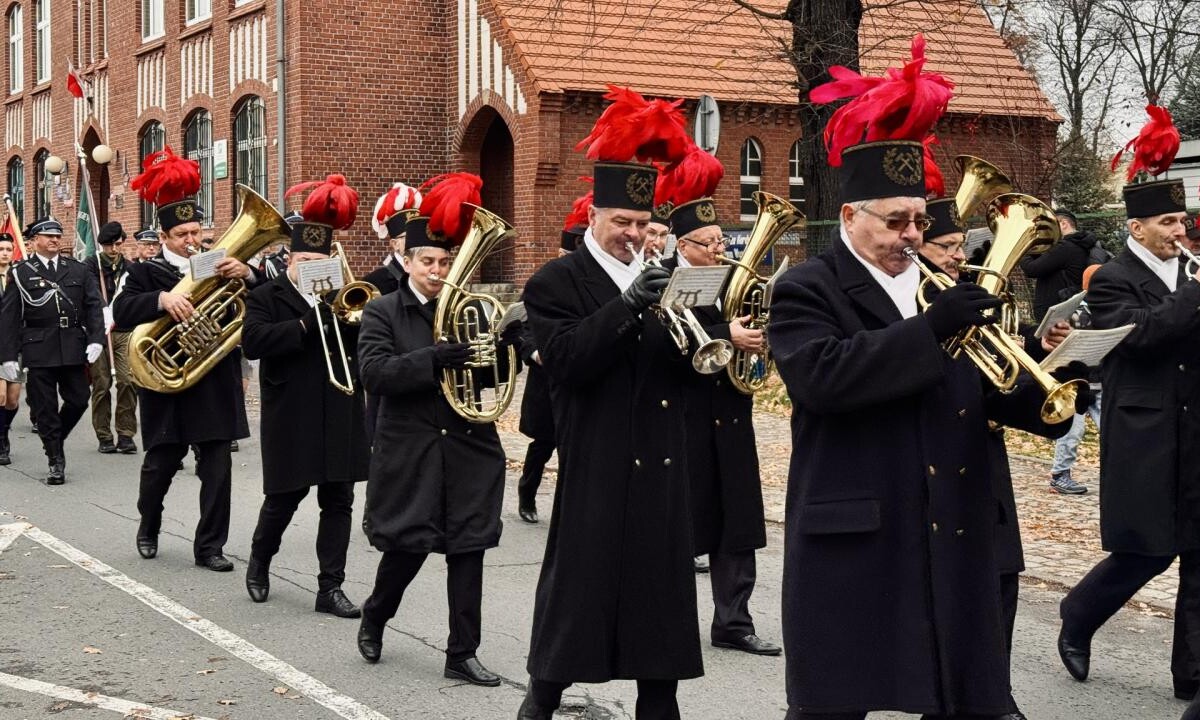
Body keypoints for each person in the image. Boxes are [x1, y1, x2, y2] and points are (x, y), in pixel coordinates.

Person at [772, 37, 1061, 718]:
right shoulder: (809, 288)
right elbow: (822, 378)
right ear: (850, 217)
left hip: (949, 527)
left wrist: (1047, 379)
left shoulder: (934, 286)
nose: (909, 234)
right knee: (836, 699)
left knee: (960, 694)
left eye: (918, 220)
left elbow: (983, 389)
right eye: (895, 221)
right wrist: (932, 330)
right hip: (859, 531)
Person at [518, 86, 700, 720]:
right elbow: (566, 361)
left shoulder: (664, 275)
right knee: (576, 606)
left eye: (643, 225)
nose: (633, 234)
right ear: (594, 215)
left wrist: (718, 337)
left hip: (664, 464)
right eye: (621, 222)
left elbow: (684, 366)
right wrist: (628, 306)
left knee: (661, 628)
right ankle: (540, 702)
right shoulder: (555, 281)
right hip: (597, 460)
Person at [1057, 108, 1200, 708]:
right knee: (1145, 549)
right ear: (1137, 228)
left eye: (1183, 218)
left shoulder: (1189, 272)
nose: (1180, 229)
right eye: (1167, 221)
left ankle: (1191, 676)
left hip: (1195, 426)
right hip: (1144, 428)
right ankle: (1079, 614)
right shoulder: (1111, 279)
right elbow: (1138, 335)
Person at [355, 173, 516, 686]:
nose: (438, 270)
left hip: (469, 445)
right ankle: (376, 614)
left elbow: (488, 380)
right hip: (414, 448)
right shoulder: (381, 311)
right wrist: (433, 358)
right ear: (407, 262)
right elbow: (375, 374)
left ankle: (461, 653)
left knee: (468, 551)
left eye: (445, 262)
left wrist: (503, 352)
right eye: (428, 262)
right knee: (408, 548)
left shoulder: (468, 310)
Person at [918, 196, 1073, 720]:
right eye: (947, 247)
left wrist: (1039, 346)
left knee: (1003, 575)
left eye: (962, 246)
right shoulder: (911, 302)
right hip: (936, 465)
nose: (959, 257)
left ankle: (993, 693)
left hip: (985, 462)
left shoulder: (970, 294)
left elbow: (998, 354)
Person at [658, 146, 781, 658]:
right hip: (684, 416)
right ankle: (668, 616)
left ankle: (734, 620)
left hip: (732, 413)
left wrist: (759, 337)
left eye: (719, 240)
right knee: (682, 519)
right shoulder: (662, 280)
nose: (718, 249)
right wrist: (725, 332)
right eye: (708, 243)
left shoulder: (734, 279)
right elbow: (667, 340)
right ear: (683, 244)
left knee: (738, 521)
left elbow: (751, 332)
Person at [113, 147, 258, 572]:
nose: (193, 240)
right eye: (183, 235)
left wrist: (248, 276)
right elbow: (121, 312)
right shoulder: (144, 272)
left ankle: (209, 546)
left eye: (196, 231)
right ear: (164, 238)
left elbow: (260, 305)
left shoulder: (219, 265)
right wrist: (161, 299)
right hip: (167, 386)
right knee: (160, 464)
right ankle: (149, 523)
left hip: (214, 380)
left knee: (217, 470)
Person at [241, 174, 367, 618]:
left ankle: (330, 587)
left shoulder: (343, 297)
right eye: (304, 258)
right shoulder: (266, 295)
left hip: (339, 406)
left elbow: (364, 347)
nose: (312, 265)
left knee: (339, 501)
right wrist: (304, 325)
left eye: (320, 258)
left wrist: (355, 320)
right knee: (284, 497)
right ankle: (259, 563)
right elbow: (253, 341)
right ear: (290, 258)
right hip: (291, 410)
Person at [0, 218, 104, 484]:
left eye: (57, 236)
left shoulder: (77, 270)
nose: (54, 240)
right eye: (47, 236)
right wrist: (8, 356)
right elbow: (9, 316)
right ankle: (55, 459)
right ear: (34, 241)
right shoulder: (22, 272)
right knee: (45, 408)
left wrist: (96, 339)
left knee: (80, 399)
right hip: (38, 348)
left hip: (72, 345)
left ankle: (55, 437)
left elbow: (93, 306)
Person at [515, 196, 589, 524]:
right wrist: (534, 353)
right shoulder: (543, 282)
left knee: (576, 451)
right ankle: (527, 493)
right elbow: (517, 328)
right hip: (545, 378)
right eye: (567, 256)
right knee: (543, 444)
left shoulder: (589, 284)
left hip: (576, 378)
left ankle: (569, 508)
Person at [1048, 263, 1105, 496]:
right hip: (1076, 383)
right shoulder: (1075, 312)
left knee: (1113, 430)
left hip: (1101, 382)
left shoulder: (1108, 309)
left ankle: (1121, 472)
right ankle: (1060, 474)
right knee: (1071, 431)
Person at [85, 221, 138, 455]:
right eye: (108, 246)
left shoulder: (130, 268)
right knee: (102, 383)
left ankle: (126, 434)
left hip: (124, 330)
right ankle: (104, 435)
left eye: (117, 244)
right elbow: (87, 294)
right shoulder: (90, 266)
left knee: (127, 381)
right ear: (102, 246)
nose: (113, 250)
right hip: (98, 332)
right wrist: (101, 308)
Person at [1019, 209, 1100, 320]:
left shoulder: (1064, 247)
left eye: (1050, 226)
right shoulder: (1081, 245)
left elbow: (1032, 269)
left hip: (1055, 312)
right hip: (1067, 309)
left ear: (1063, 224)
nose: (1047, 231)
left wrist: (1023, 250)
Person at [364, 182, 423, 296]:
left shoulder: (431, 276)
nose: (416, 241)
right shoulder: (373, 282)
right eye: (409, 236)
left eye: (419, 235)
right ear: (395, 244)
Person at [0, 233, 24, 465]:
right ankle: (1, 441)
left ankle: (4, 429)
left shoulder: (18, 277)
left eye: (9, 249)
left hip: (14, 343)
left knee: (13, 399)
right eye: (1, 249)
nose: (5, 253)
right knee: (1, 395)